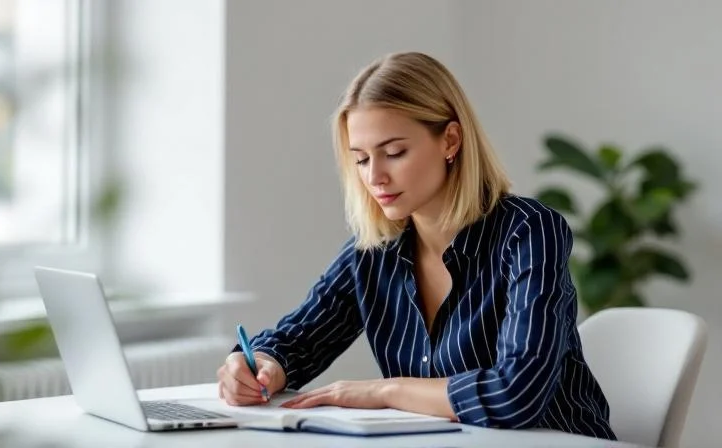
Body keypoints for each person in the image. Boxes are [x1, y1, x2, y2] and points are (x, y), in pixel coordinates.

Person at [216, 51, 616, 440]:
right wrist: (259, 367)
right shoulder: (372, 253)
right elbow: (295, 342)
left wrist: (385, 392)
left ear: (451, 140)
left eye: (394, 153)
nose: (375, 177)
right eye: (360, 159)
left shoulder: (530, 232)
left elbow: (516, 394)